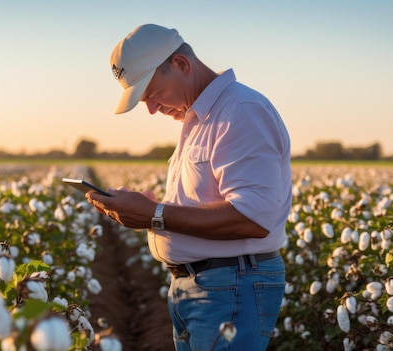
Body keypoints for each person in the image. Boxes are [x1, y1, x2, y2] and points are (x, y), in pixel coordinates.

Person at [86, 24, 292, 351]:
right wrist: (148, 208)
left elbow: (252, 216)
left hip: (230, 288)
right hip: (205, 288)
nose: (152, 109)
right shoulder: (201, 119)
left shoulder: (240, 112)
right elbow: (205, 203)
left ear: (181, 65)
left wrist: (153, 215)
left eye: (152, 94)